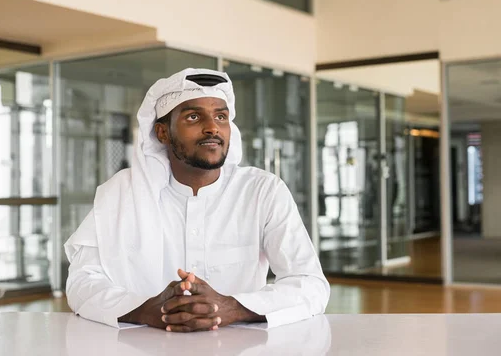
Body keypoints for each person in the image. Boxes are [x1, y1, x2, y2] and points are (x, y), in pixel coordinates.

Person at [64, 68, 329, 332]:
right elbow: (81, 281)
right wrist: (145, 309)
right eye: (193, 116)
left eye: (221, 116)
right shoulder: (121, 193)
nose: (212, 127)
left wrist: (232, 308)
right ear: (162, 133)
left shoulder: (263, 191)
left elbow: (311, 284)